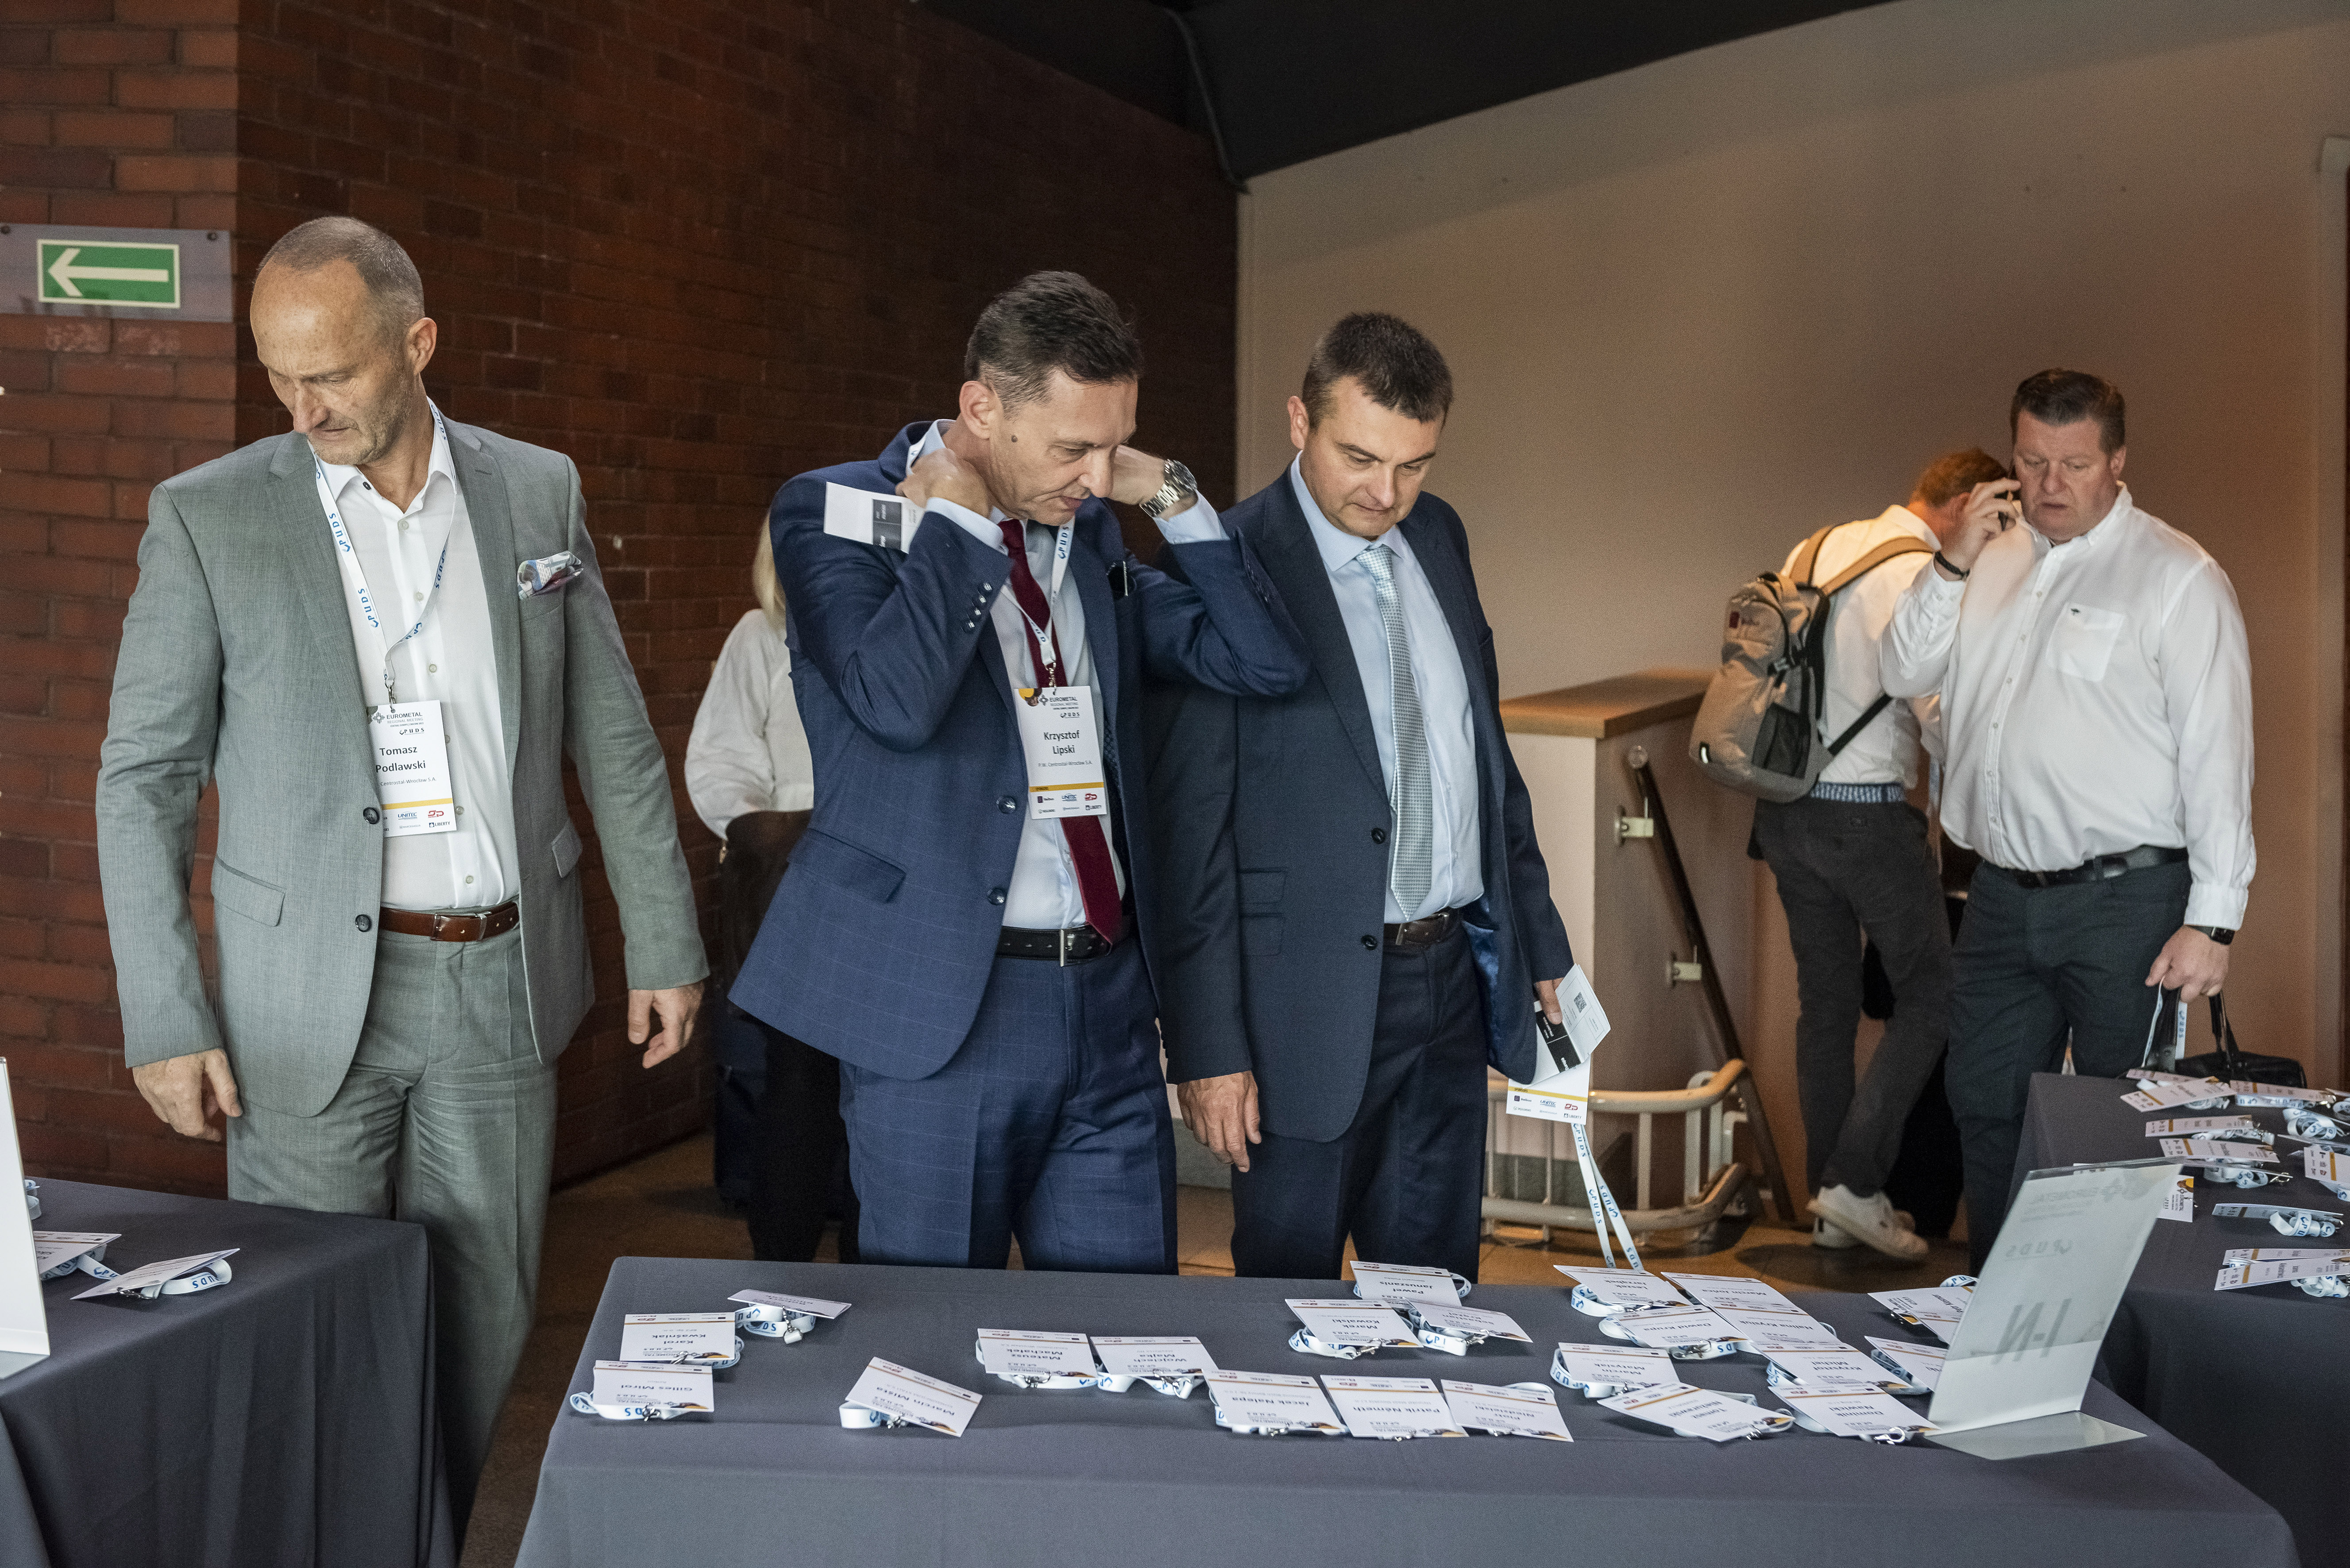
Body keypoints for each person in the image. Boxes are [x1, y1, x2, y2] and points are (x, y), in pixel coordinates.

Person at [94, 217, 705, 1531]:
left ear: (418, 344)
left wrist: (664, 936)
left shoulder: (536, 492)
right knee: (305, 1330)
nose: (303, 409)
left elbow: (609, 732)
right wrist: (165, 1009)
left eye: (332, 375)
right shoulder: (207, 516)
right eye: (279, 378)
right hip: (299, 1001)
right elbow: (142, 777)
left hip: (500, 979)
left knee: (482, 1330)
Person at [730, 271, 1309, 1272]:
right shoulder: (836, 509)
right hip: (941, 1003)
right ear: (982, 407)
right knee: (932, 1336)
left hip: (1108, 1004)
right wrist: (960, 527)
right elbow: (894, 705)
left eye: (1115, 447)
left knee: (1125, 1338)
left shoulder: (1091, 534)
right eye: (1073, 447)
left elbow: (1265, 662)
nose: (1096, 476)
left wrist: (1172, 496)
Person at [1145, 312, 1573, 1283]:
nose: (1386, 494)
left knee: (1437, 1293)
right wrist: (1206, 1047)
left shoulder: (1440, 533)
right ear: (1300, 420)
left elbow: (1484, 760)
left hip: (1451, 981)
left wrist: (1540, 942)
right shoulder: (1224, 559)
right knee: (1284, 1297)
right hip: (1298, 1005)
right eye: (1361, 458)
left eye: (1414, 465)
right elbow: (1189, 836)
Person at [1881, 370, 2253, 1269]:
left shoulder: (2177, 576)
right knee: (1986, 1102)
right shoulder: (1987, 558)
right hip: (1999, 895)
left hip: (2129, 901)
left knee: (2122, 1120)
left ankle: (2113, 1322)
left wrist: (2214, 919)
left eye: (2074, 464)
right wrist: (1950, 562)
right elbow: (1902, 672)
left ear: (2117, 462)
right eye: (2031, 461)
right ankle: (2004, 1309)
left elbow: (2218, 751)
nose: (2049, 484)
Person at [1752, 448, 2006, 1260]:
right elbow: (1935, 713)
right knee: (1933, 994)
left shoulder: (1816, 546)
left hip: (1784, 808)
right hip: (1865, 817)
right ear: (1963, 505)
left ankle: (1831, 1202)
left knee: (1824, 1006)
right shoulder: (1917, 576)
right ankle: (1854, 1185)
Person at [683, 527, 857, 1260]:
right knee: (799, 1079)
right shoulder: (761, 635)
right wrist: (773, 833)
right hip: (799, 882)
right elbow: (720, 758)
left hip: (905, 884)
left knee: (888, 1089)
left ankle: (876, 1267)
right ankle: (782, 1271)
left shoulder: (911, 634)